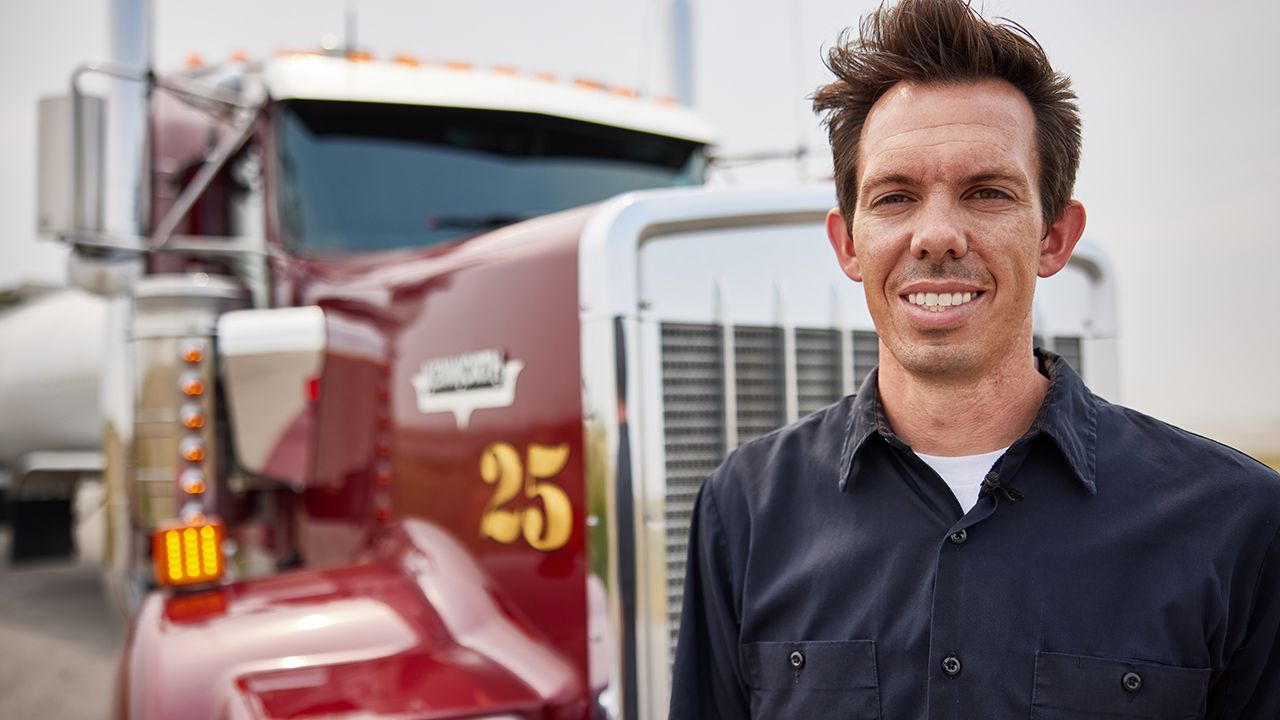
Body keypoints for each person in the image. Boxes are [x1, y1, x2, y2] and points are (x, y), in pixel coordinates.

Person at [668, 0, 1280, 717]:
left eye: (987, 192)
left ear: (1054, 237)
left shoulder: (1238, 525)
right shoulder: (743, 511)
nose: (936, 235)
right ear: (849, 244)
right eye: (895, 197)